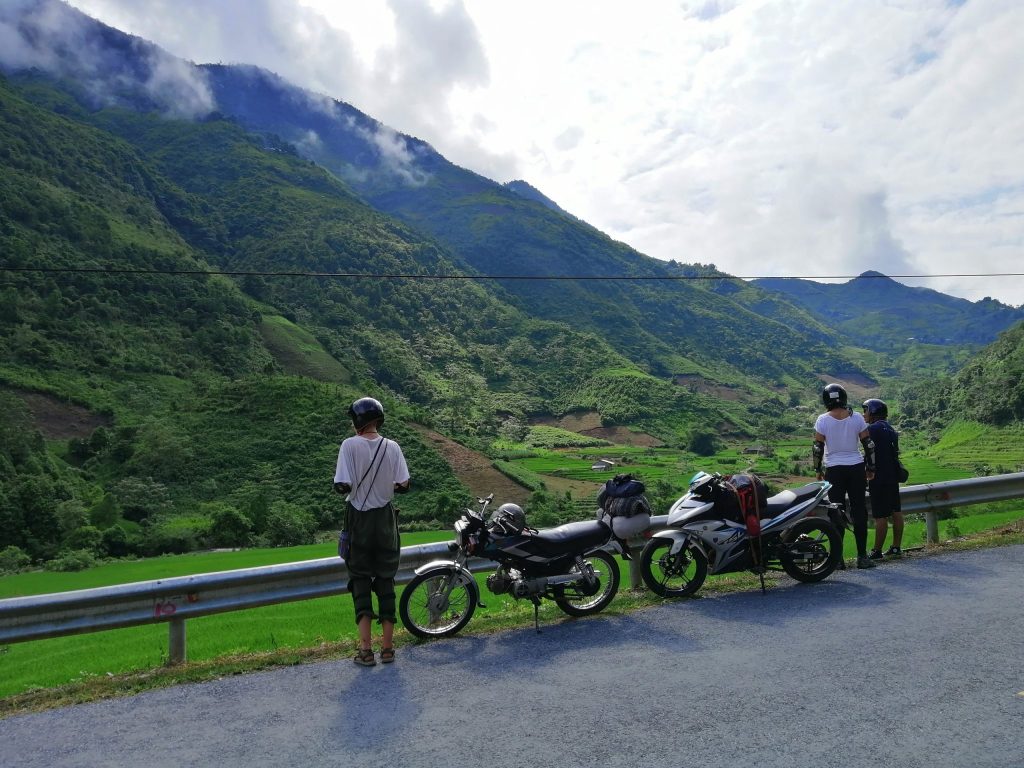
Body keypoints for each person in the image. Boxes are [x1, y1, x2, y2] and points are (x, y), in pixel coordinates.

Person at [333, 397, 410, 667]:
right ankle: (388, 649)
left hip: (359, 520)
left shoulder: (349, 445)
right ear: (378, 419)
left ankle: (366, 651)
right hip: (386, 521)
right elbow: (404, 484)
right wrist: (384, 487)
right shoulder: (393, 446)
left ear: (357, 421)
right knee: (386, 580)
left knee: (361, 581)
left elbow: (342, 484)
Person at [813, 383, 877, 570]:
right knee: (859, 511)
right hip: (856, 467)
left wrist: (818, 469)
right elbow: (868, 443)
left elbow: (818, 447)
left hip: (834, 469)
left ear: (826, 400)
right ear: (844, 397)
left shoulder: (822, 420)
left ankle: (838, 559)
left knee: (836, 512)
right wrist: (871, 467)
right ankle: (862, 557)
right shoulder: (856, 417)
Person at [863, 398, 904, 560]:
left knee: (880, 515)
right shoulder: (891, 429)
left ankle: (876, 551)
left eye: (865, 410)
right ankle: (896, 548)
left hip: (878, 477)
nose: (864, 414)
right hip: (893, 477)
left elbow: (869, 454)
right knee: (896, 511)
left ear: (873, 412)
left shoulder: (872, 429)